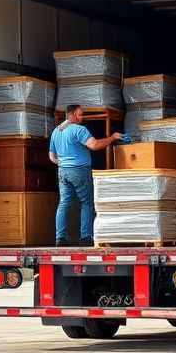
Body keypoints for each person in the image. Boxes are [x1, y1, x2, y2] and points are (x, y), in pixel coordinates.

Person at [49, 104, 122, 247]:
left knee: (64, 203)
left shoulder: (56, 132)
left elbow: (51, 156)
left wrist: (64, 164)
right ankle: (86, 237)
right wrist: (112, 138)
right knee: (87, 202)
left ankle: (60, 238)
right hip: (79, 171)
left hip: (63, 171)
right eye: (80, 114)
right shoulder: (79, 130)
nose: (82, 117)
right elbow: (94, 145)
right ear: (72, 115)